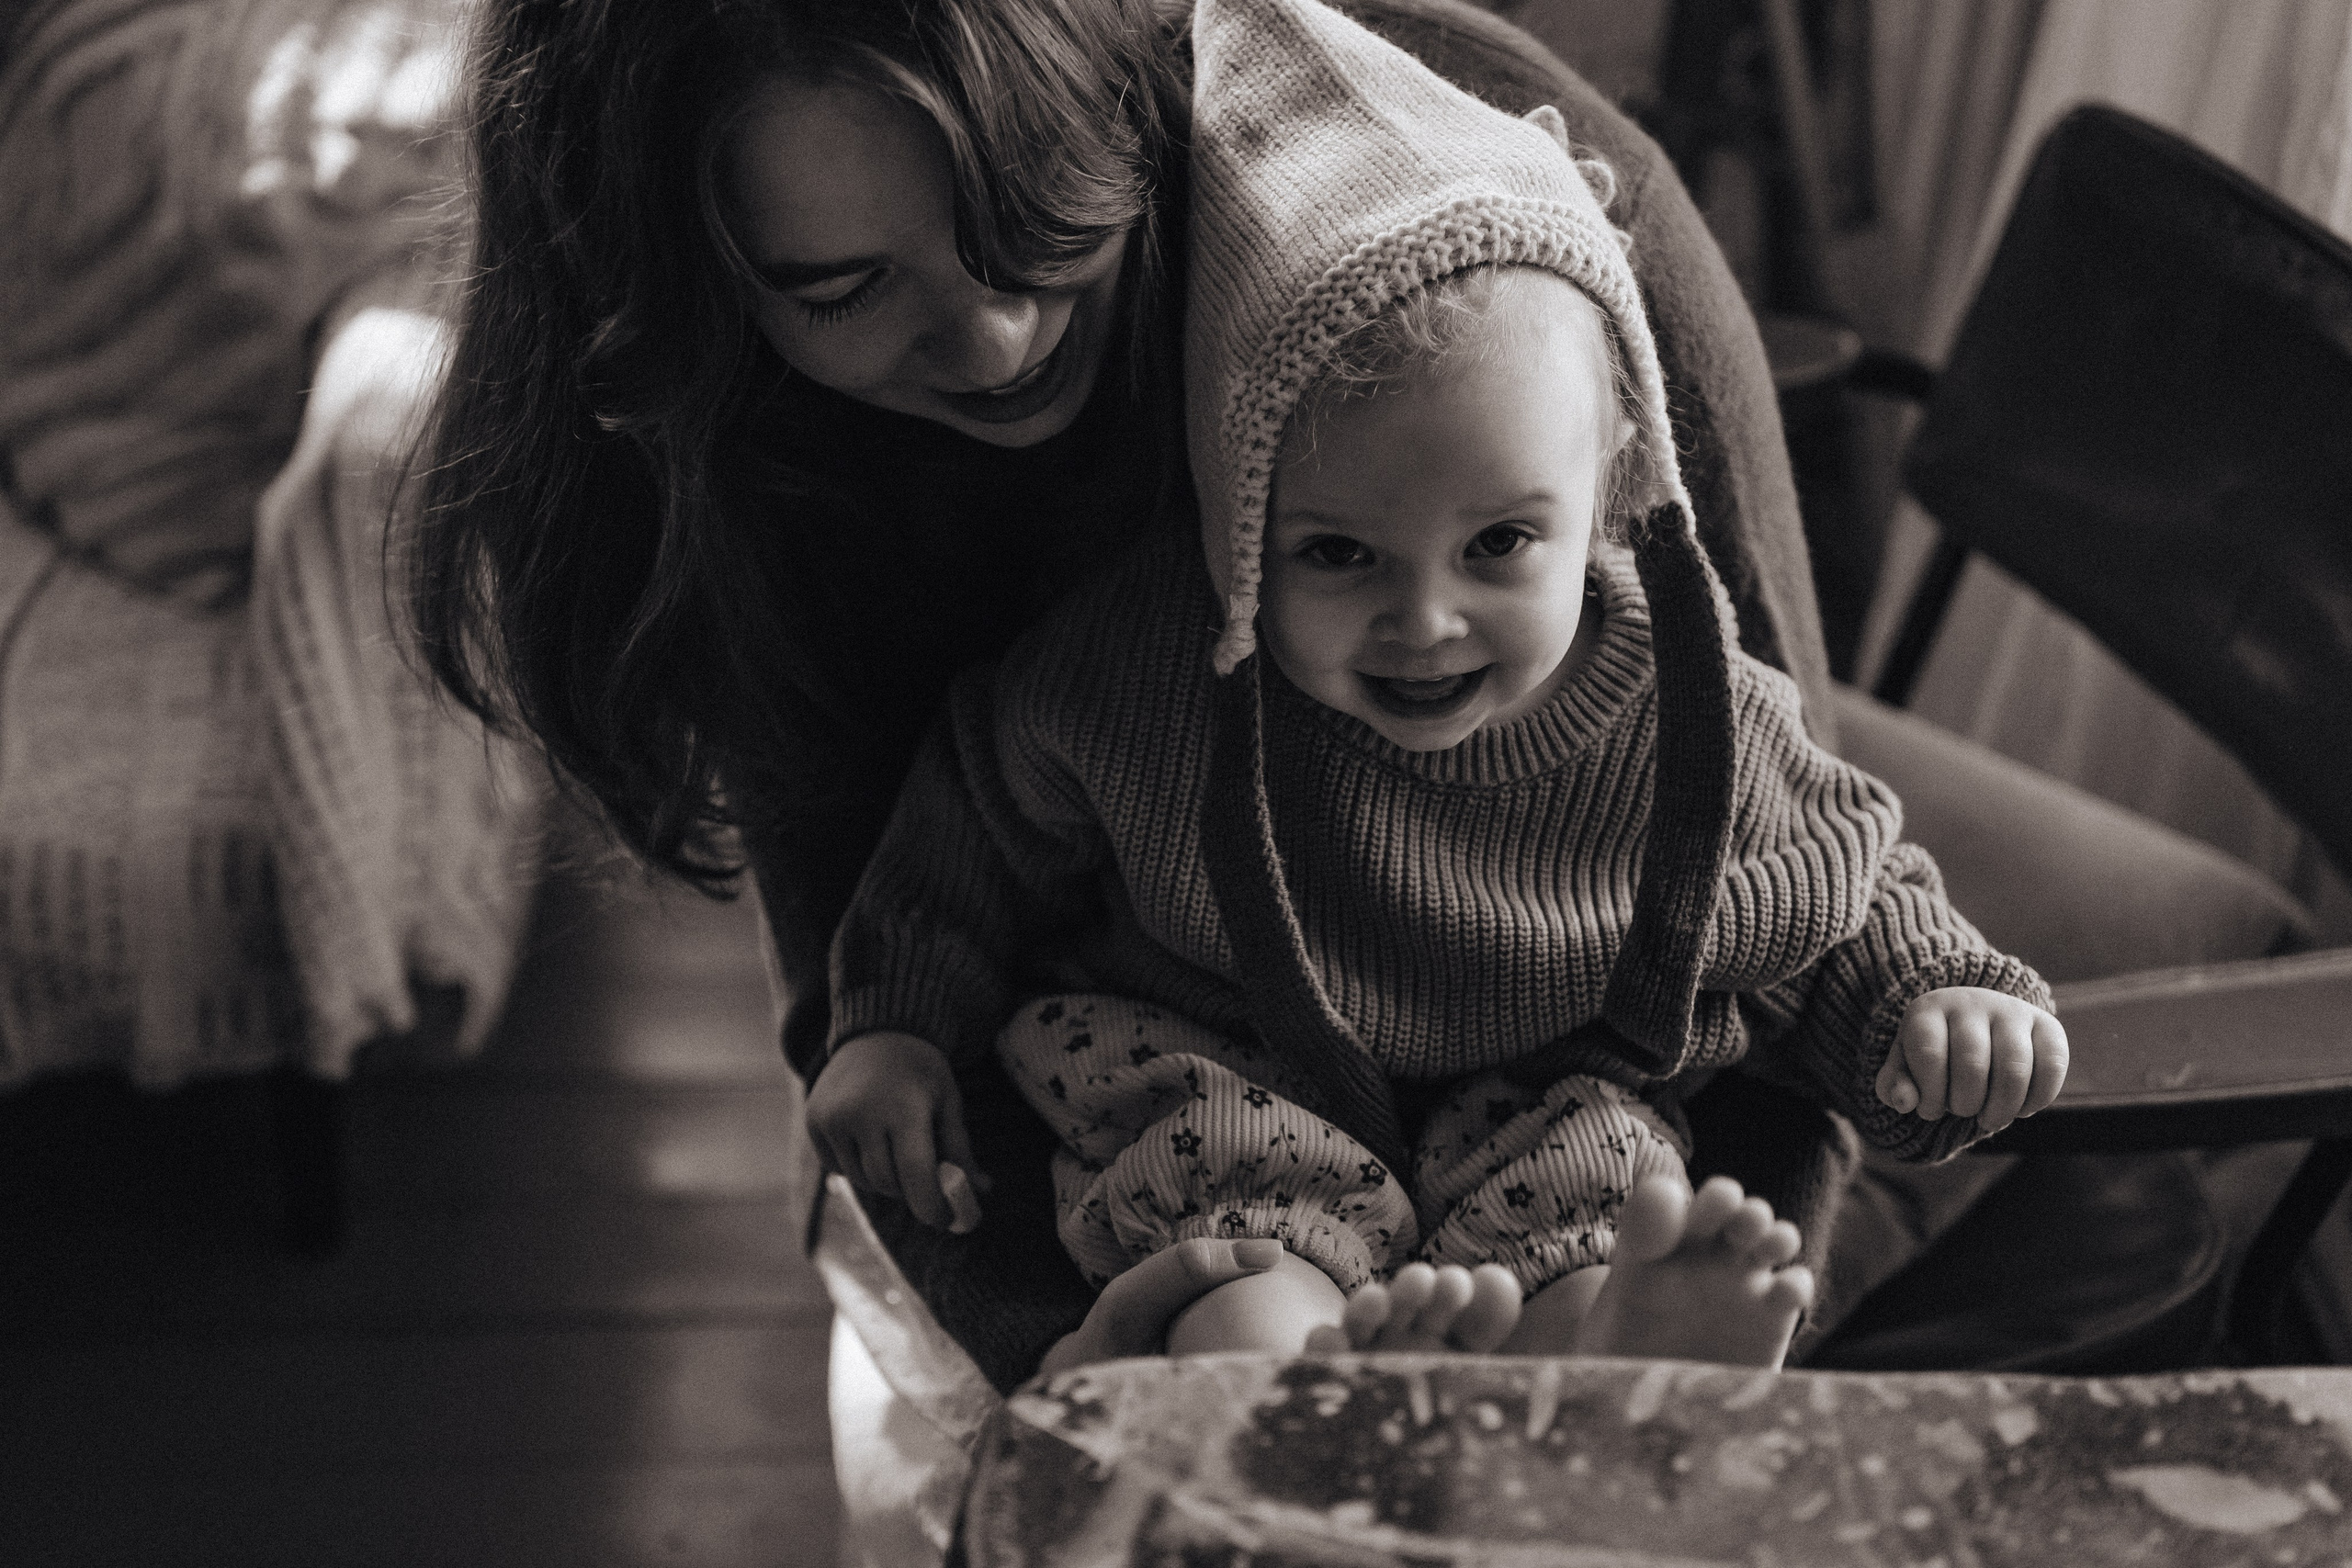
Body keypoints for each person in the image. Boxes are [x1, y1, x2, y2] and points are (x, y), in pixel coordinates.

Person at [413, 0, 1865, 1392]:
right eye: (842, 290)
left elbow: (1761, 841)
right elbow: (884, 959)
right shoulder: (783, 498)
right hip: (1152, 1104)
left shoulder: (1512, 228)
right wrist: (1079, 1356)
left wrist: (1681, 1328)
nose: (994, 341)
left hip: (1595, 933)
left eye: (1040, 211)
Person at [807, 0, 2068, 1368]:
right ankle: (1293, 1385)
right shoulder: (1134, 676)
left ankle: (1600, 1358)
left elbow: (1826, 893)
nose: (1423, 619)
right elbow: (971, 832)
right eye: (1336, 552)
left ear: (1611, 497)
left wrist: (1933, 1006)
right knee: (1232, 1234)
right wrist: (896, 1025)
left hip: (1539, 1097)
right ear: (1235, 523)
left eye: (1501, 544)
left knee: (1605, 1195)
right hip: (1229, 1062)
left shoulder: (1686, 706)